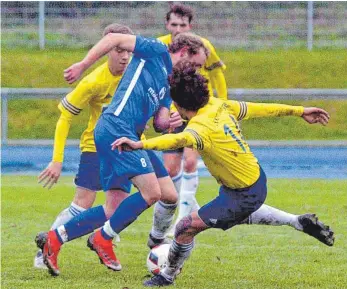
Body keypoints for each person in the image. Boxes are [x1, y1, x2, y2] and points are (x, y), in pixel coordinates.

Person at [111, 64, 335, 287]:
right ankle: (297, 221)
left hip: (243, 193)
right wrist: (299, 111)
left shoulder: (200, 128)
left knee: (184, 228)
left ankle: (166, 276)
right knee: (235, 212)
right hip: (252, 180)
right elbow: (260, 108)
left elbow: (176, 140)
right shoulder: (220, 105)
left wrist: (140, 143)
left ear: (179, 104)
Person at [39, 32, 209, 276]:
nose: (195, 71)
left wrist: (170, 120)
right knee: (152, 193)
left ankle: (54, 239)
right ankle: (103, 238)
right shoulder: (155, 51)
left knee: (128, 205)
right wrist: (83, 65)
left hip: (132, 138)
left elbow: (159, 122)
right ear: (183, 52)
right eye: (195, 65)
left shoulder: (169, 84)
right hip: (115, 129)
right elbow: (113, 38)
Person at [34, 23, 134, 269]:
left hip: (126, 148)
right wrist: (57, 159)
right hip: (96, 148)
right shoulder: (93, 82)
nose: (124, 56)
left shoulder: (135, 75)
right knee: (82, 204)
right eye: (118, 49)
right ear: (105, 49)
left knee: (124, 206)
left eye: (128, 50)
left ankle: (102, 238)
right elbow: (65, 117)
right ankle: (45, 249)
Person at [158, 4, 228, 228]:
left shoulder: (203, 46)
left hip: (196, 111)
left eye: (183, 25)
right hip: (172, 112)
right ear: (167, 25)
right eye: (174, 24)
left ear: (191, 26)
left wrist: (224, 104)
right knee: (170, 169)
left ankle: (182, 219)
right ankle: (184, 209)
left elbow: (217, 74)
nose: (178, 29)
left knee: (190, 162)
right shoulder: (161, 47)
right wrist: (166, 110)